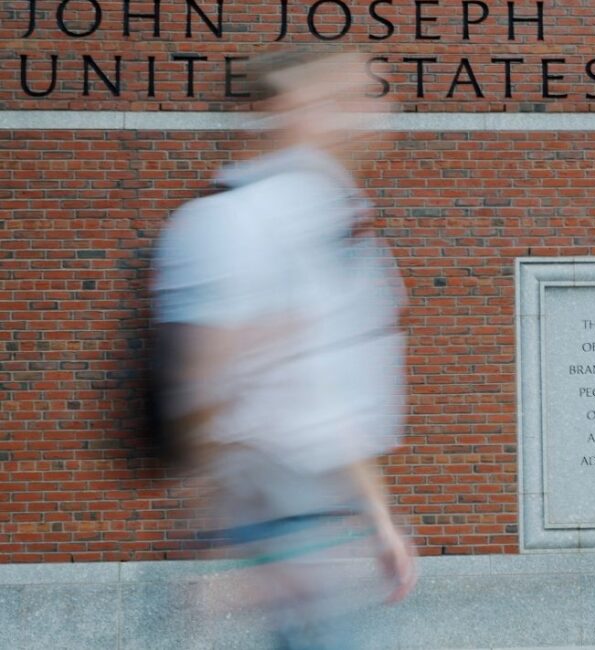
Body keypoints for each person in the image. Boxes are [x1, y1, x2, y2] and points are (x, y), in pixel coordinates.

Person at [151, 48, 416, 648]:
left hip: (320, 526)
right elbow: (201, 390)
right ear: (283, 112)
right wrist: (227, 544)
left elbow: (335, 391)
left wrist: (378, 519)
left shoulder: (336, 220)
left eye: (366, 97)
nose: (365, 114)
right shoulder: (234, 222)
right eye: (339, 99)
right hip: (273, 520)